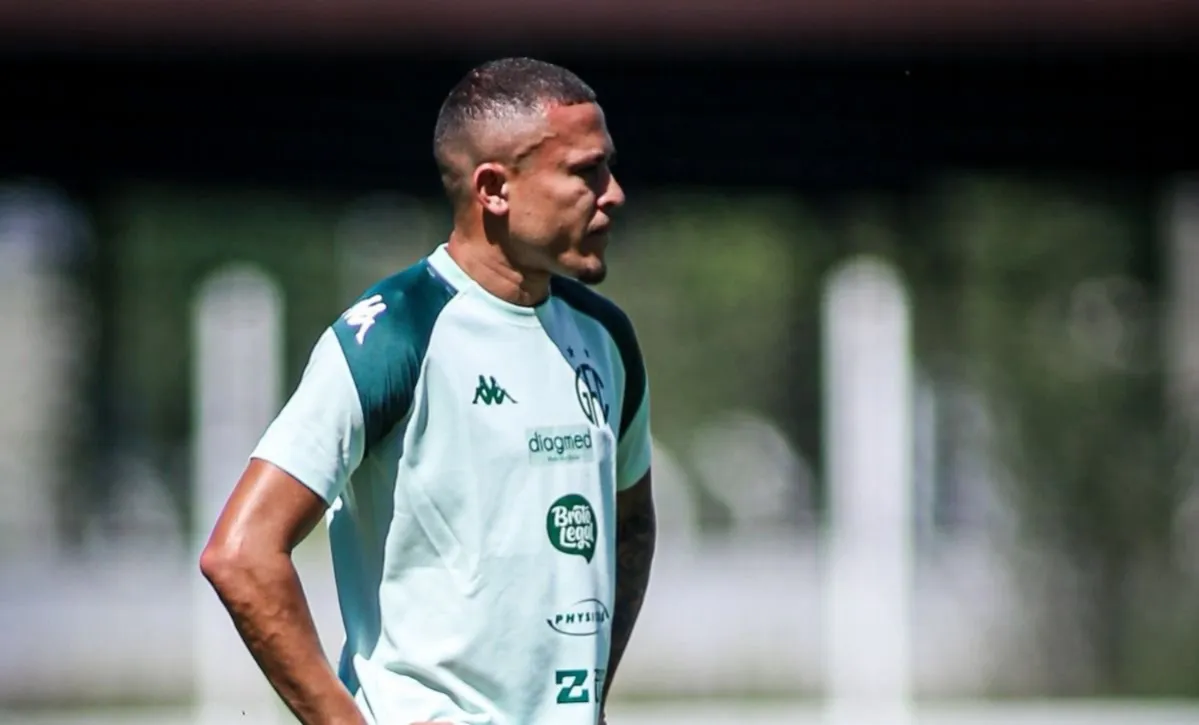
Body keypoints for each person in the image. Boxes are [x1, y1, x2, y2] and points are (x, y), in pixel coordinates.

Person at [199, 57, 657, 725]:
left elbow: (632, 523)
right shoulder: (397, 333)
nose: (613, 193)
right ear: (493, 188)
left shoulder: (606, 338)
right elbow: (240, 554)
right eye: (586, 171)